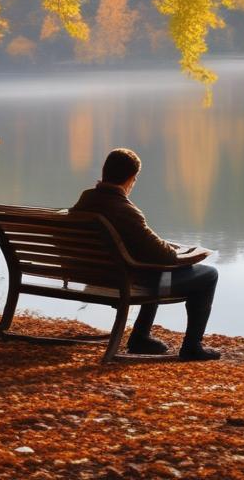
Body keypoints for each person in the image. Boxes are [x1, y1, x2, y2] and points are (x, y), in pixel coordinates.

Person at [71, 147, 220, 361]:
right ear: (131, 179)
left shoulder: (86, 200)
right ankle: (192, 346)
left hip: (91, 276)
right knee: (208, 274)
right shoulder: (125, 210)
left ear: (105, 172)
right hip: (124, 282)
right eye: (135, 179)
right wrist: (194, 255)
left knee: (147, 266)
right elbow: (164, 257)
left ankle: (141, 337)